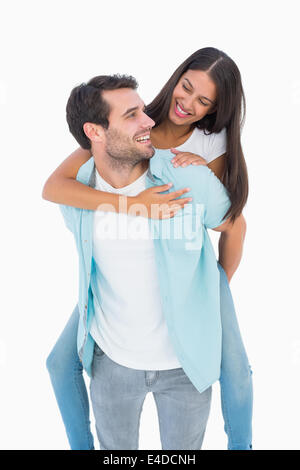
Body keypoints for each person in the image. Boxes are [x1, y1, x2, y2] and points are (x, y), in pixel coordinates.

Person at [43, 47, 252, 450]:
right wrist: (134, 206)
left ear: (214, 109)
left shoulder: (208, 151)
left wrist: (215, 286)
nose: (187, 104)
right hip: (121, 328)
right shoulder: (128, 128)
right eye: (185, 88)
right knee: (59, 361)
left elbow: (229, 222)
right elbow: (55, 186)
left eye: (203, 101)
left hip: (193, 270)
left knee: (237, 369)